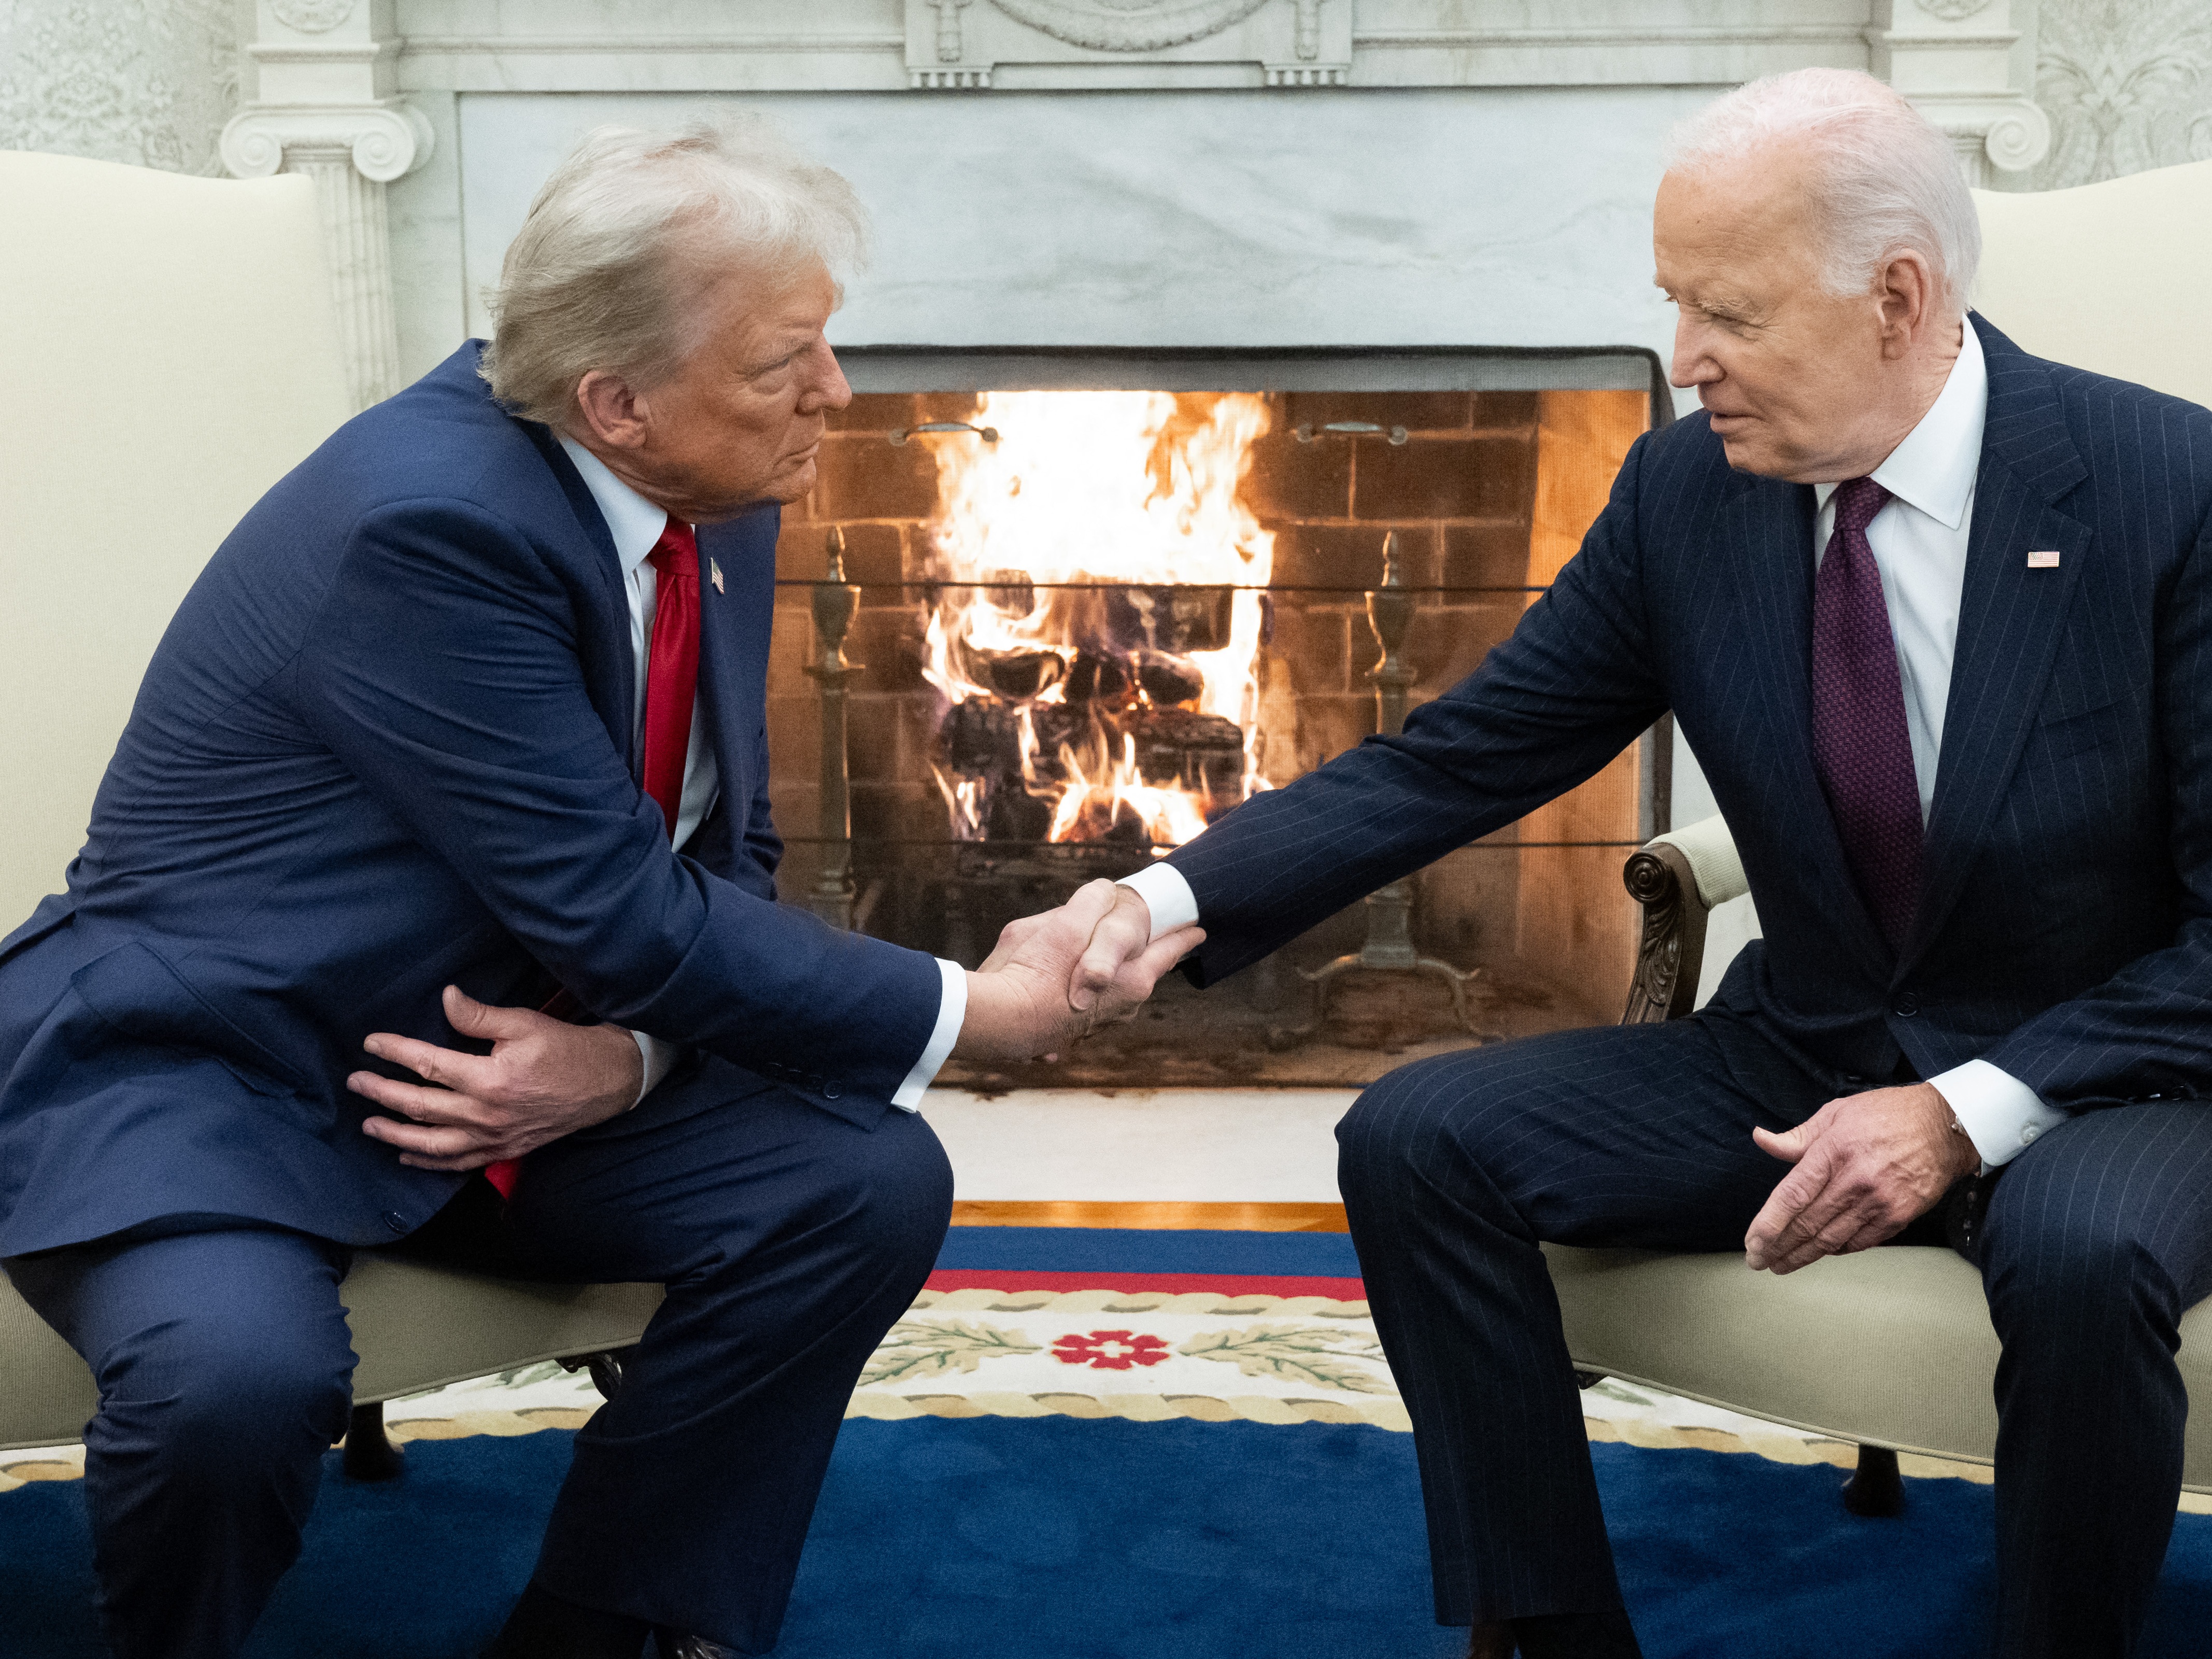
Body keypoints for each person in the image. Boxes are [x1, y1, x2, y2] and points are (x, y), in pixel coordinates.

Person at [0, 119, 1196, 1659]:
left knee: (859, 1184)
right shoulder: (426, 527)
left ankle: (603, 1624)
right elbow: (627, 918)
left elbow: (717, 859)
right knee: (232, 1385)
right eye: (788, 362)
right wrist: (975, 1012)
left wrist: (628, 1058)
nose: (835, 396)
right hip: (226, 1072)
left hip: (495, 1063)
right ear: (614, 400)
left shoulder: (710, 490)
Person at [1067, 67, 2212, 1659]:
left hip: (2111, 1070)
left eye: (1727, 314)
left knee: (2081, 1256)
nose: (1686, 364)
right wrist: (1163, 896)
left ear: (1896, 297)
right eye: (1675, 305)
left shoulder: (2170, 489)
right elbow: (1470, 751)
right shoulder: (1690, 491)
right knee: (1418, 1137)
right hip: (1811, 1037)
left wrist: (1959, 1115)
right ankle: (1547, 1629)